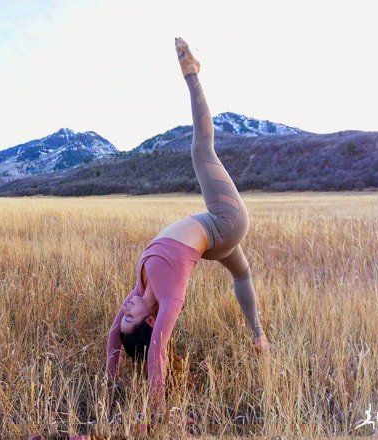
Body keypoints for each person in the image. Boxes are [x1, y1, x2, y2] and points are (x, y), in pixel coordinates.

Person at [105, 36, 271, 420]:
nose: (124, 308)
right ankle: (192, 74)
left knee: (242, 273)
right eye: (131, 315)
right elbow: (157, 353)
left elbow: (115, 336)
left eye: (124, 312)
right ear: (150, 319)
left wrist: (111, 382)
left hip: (212, 238)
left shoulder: (141, 291)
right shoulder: (168, 298)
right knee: (201, 151)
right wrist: (157, 411)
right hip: (225, 223)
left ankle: (258, 333)